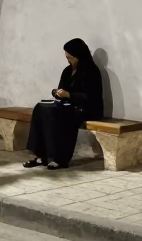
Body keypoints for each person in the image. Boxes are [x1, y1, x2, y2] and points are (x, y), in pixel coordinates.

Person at [23, 38, 104, 170]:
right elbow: (61, 89)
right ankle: (40, 155)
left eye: (71, 58)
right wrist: (57, 92)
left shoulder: (91, 72)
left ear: (79, 56)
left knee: (58, 114)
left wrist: (70, 95)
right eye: (67, 57)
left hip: (86, 109)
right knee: (40, 108)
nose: (68, 60)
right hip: (67, 105)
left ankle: (59, 159)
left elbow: (91, 97)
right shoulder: (67, 71)